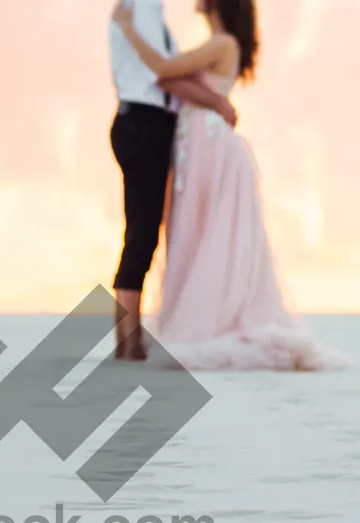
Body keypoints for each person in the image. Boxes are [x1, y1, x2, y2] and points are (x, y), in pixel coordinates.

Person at [112, 0, 348, 370]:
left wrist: (127, 29)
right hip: (198, 145)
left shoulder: (222, 44)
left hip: (210, 149)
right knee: (195, 236)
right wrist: (214, 100)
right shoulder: (216, 44)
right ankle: (146, 338)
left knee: (209, 237)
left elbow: (160, 71)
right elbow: (170, 77)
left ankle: (175, 332)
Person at [108, 0, 239, 360]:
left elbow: (165, 74)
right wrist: (217, 102)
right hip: (144, 123)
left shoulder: (150, 13)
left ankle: (128, 341)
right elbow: (162, 74)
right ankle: (127, 343)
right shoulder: (141, 10)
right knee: (143, 231)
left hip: (149, 124)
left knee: (144, 229)